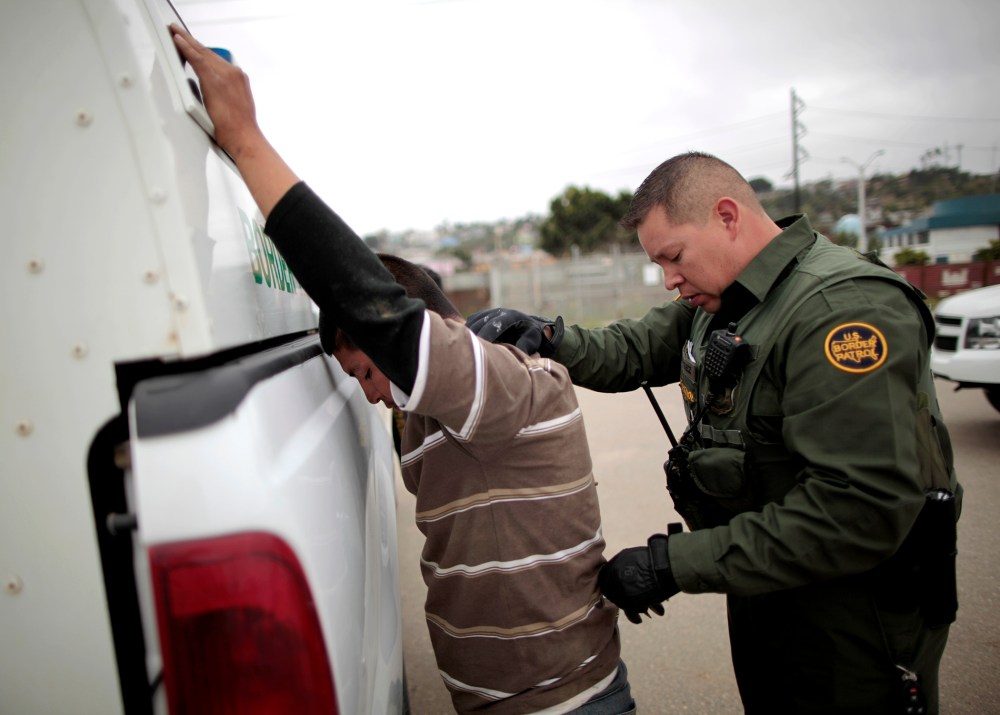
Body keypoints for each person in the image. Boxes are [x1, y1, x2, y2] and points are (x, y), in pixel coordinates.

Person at [169, 24, 634, 715]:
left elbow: (375, 307)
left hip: (565, 703)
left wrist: (245, 141)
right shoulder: (421, 417)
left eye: (368, 370)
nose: (371, 393)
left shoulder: (514, 388)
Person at [469, 152, 961, 713]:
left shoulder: (841, 308)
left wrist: (671, 564)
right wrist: (548, 336)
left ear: (727, 216)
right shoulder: (728, 298)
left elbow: (857, 511)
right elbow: (635, 348)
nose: (669, 280)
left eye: (673, 257)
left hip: (852, 614)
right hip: (769, 581)